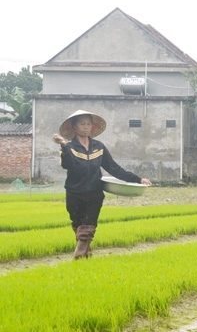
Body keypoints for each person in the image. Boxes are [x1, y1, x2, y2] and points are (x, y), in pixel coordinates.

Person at [53, 109, 152, 259]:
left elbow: (114, 168)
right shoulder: (70, 148)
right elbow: (67, 165)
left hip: (94, 193)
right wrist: (63, 146)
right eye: (82, 124)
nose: (86, 126)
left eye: (88, 124)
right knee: (78, 226)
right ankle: (87, 255)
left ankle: (78, 257)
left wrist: (138, 179)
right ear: (74, 127)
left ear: (92, 127)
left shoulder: (98, 147)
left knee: (88, 225)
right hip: (74, 193)